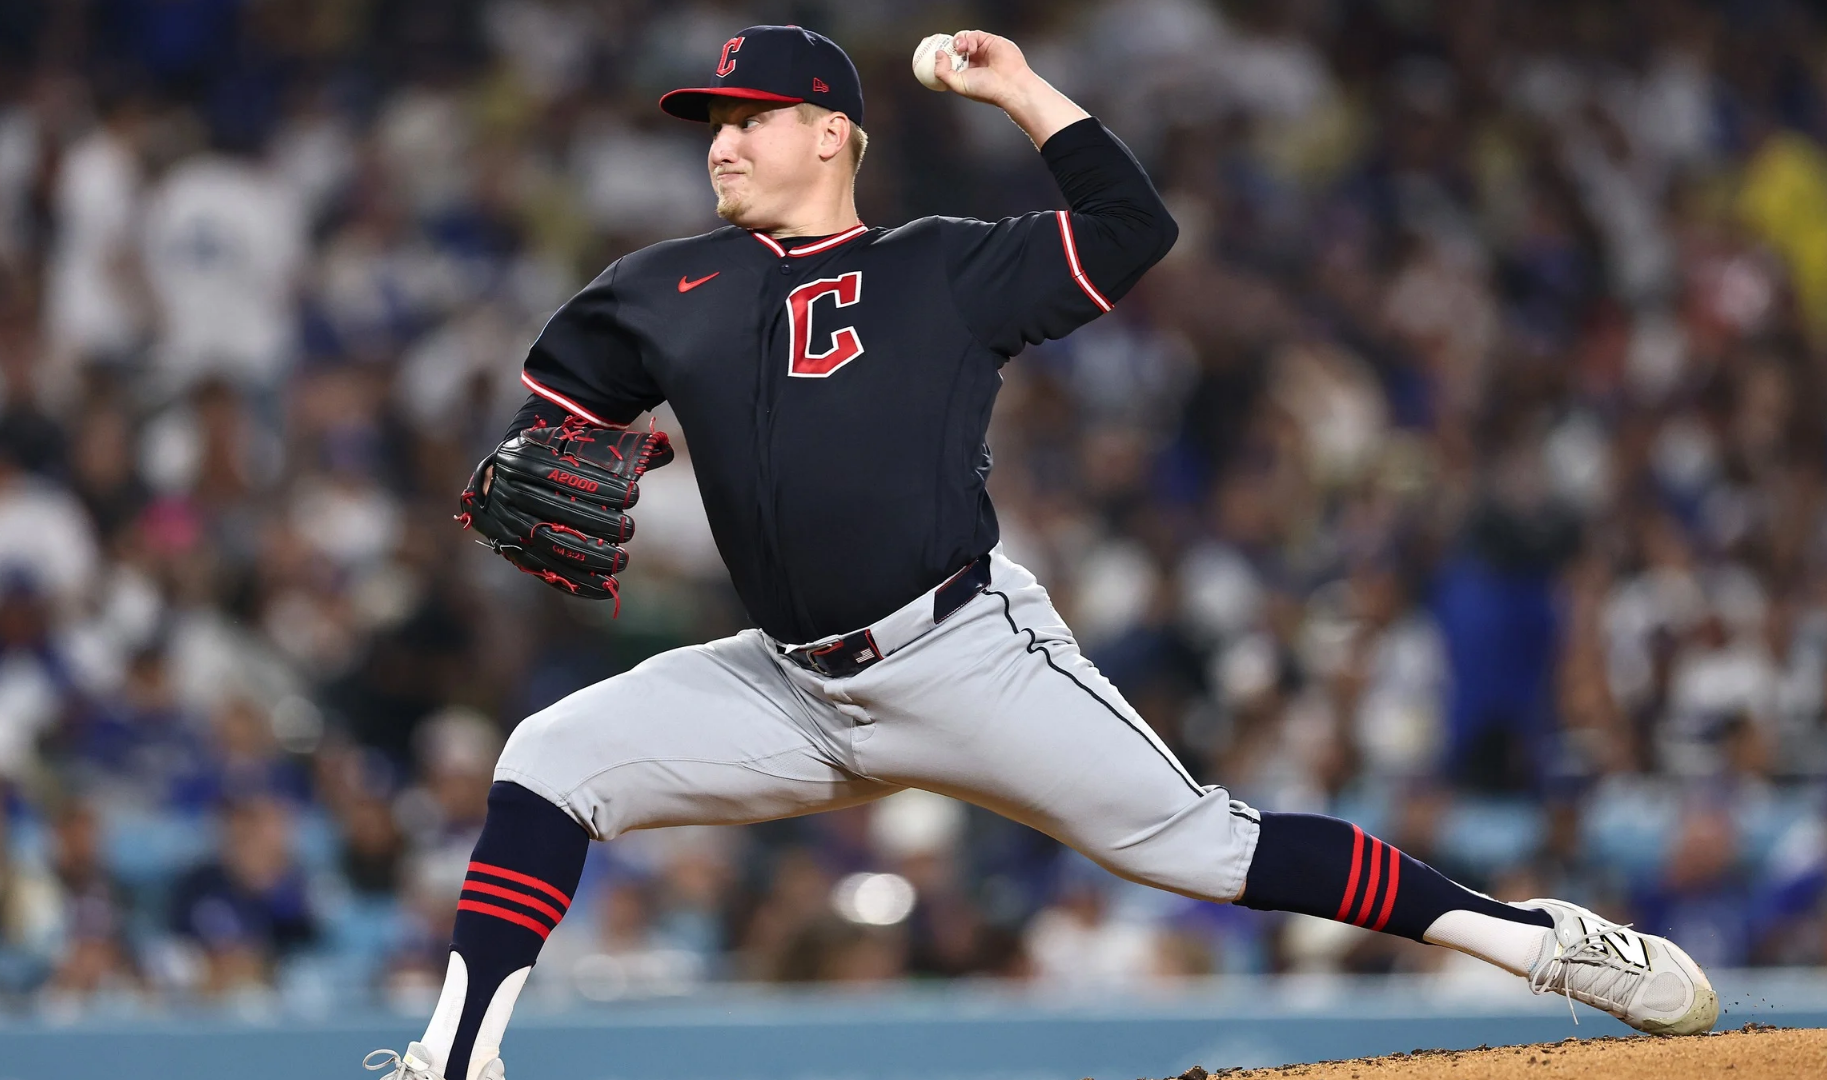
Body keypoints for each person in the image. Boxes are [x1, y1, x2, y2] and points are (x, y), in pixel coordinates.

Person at [365, 26, 1718, 1080]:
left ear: (831, 134)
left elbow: (1134, 231)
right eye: (712, 122)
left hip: (960, 653)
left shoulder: (945, 265)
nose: (721, 143)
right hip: (784, 682)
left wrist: (1021, 92)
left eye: (751, 117)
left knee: (1206, 848)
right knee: (545, 760)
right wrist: (535, 451)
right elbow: (563, 410)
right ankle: (459, 1055)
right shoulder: (663, 284)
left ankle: (1534, 941)